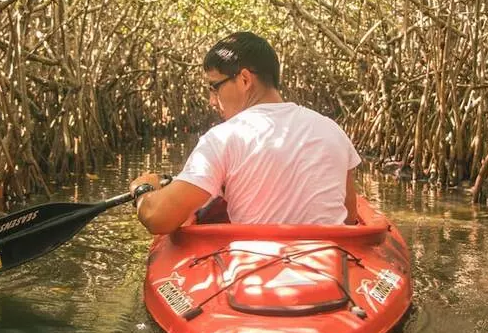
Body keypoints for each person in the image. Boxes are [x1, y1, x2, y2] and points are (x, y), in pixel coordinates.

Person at [129, 31, 360, 234]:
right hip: (330, 266)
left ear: (245, 79)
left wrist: (143, 188)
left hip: (257, 270)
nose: (211, 101)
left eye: (213, 87)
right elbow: (349, 218)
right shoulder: (332, 129)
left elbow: (158, 219)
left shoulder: (223, 138)